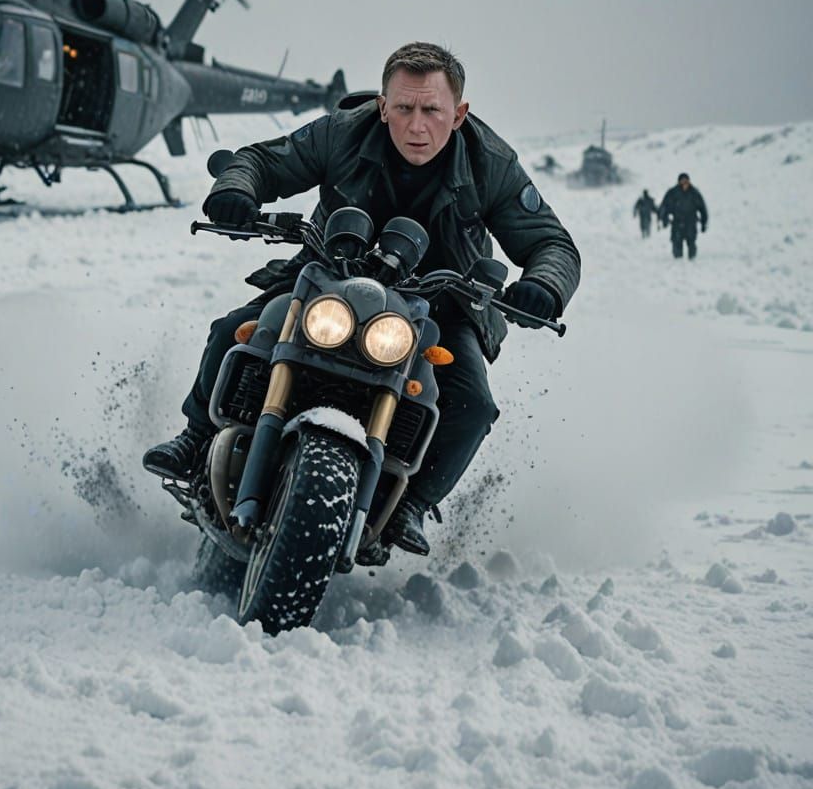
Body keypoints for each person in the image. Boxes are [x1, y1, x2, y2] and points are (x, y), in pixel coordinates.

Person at [144, 42, 581, 556]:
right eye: (404, 108)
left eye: (433, 110)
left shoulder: (492, 165)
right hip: (329, 275)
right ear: (382, 105)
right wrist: (237, 188)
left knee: (472, 404)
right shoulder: (343, 132)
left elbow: (551, 243)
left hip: (440, 301)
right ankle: (197, 434)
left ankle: (411, 503)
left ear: (459, 114)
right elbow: (264, 159)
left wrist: (544, 286)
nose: (417, 125)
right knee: (235, 331)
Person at [658, 173, 708, 259]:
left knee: (691, 242)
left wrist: (704, 222)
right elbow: (664, 206)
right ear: (679, 181)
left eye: (686, 180)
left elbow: (702, 208)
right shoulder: (673, 192)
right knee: (677, 243)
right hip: (677, 222)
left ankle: (692, 261)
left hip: (691, 222)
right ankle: (678, 263)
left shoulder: (694, 193)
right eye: (682, 180)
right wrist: (664, 219)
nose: (684, 182)